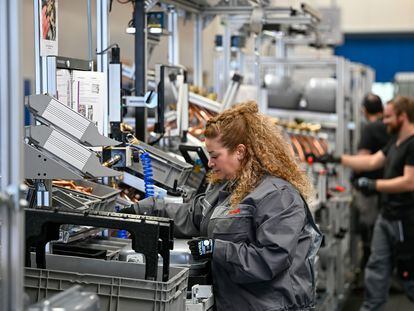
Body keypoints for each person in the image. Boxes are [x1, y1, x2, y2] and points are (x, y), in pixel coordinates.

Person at [122, 101, 322, 311]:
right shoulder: (227, 188)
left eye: (215, 155)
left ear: (240, 151)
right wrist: (145, 210)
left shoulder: (278, 196)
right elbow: (192, 216)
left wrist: (215, 248)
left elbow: (268, 260)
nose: (209, 163)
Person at [317, 95, 414, 310]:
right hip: (386, 216)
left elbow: (409, 182)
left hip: (403, 221)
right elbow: (371, 161)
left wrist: (374, 185)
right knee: (376, 268)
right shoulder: (395, 141)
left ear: (403, 116)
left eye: (388, 117)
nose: (384, 121)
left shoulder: (412, 144)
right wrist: (336, 158)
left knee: (408, 276)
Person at [352, 93, 390, 269]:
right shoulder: (388, 128)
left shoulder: (370, 129)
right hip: (384, 190)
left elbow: (362, 162)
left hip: (369, 190)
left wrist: (344, 161)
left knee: (370, 234)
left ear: (364, 110)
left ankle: (369, 271)